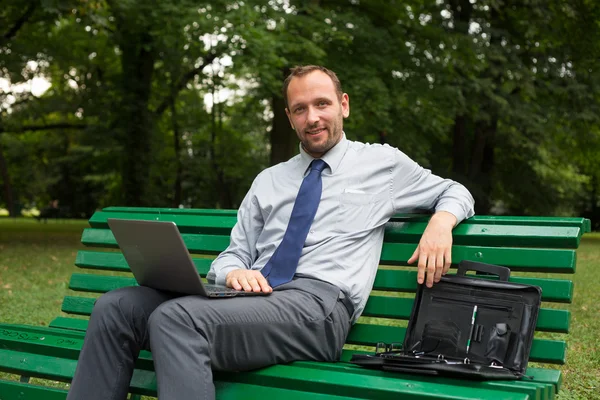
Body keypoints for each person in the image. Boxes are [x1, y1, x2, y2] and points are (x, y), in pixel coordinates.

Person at [67, 65, 474, 400]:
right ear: (289, 117)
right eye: (300, 109)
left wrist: (441, 222)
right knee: (116, 307)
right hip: (251, 299)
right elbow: (233, 254)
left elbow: (455, 191)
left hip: (319, 308)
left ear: (343, 105)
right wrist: (231, 274)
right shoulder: (269, 180)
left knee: (177, 320)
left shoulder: (382, 165)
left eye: (322, 104)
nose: (312, 117)